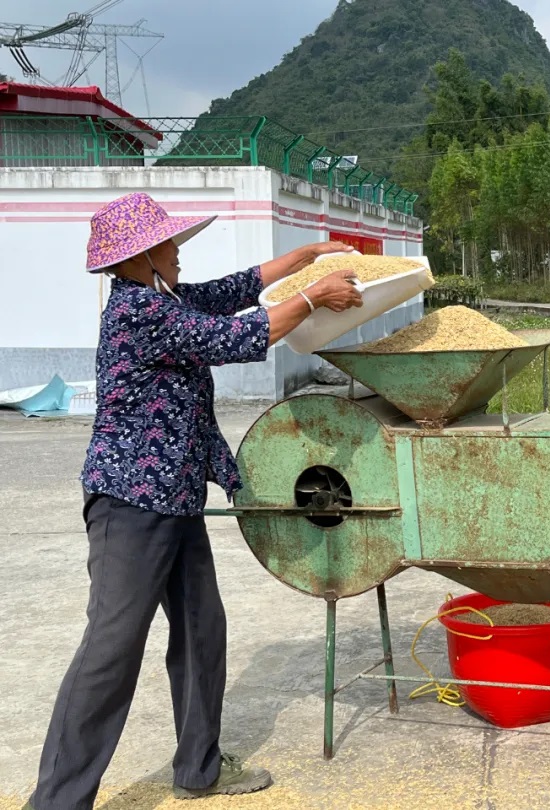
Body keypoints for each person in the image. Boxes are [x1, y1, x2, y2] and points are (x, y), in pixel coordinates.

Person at [24, 192, 364, 810]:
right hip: (130, 503)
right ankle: (56, 801)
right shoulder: (138, 313)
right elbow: (236, 335)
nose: (179, 253)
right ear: (140, 258)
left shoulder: (169, 299)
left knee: (203, 628)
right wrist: (314, 296)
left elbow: (236, 289)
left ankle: (199, 768)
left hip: (176, 498)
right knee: (111, 648)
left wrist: (306, 256)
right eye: (169, 245)